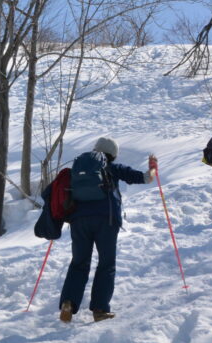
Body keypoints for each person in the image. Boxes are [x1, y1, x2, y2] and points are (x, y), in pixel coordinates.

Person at [59, 137, 156, 324]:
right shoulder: (113, 168)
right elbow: (146, 178)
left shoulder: (78, 169)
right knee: (106, 264)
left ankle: (68, 303)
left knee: (79, 263)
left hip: (79, 221)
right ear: (113, 154)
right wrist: (153, 166)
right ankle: (100, 309)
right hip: (107, 221)